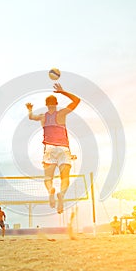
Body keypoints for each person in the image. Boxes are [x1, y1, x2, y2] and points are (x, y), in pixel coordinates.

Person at [26, 83, 80, 214]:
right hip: (63, 149)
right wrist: (62, 91)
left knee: (48, 179)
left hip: (49, 149)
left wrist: (29, 109)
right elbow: (77, 100)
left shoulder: (42, 117)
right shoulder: (62, 114)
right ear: (56, 103)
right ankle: (61, 194)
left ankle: (51, 190)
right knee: (65, 177)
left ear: (46, 104)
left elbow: (31, 117)